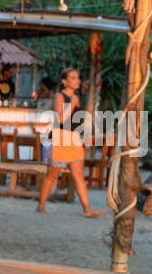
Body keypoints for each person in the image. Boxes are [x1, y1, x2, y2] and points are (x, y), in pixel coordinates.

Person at [37, 67, 103, 217]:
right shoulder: (60, 96)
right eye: (72, 78)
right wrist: (72, 104)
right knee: (52, 175)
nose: (77, 80)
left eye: (77, 78)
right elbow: (60, 119)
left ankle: (87, 209)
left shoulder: (77, 97)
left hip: (74, 138)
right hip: (60, 137)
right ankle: (41, 205)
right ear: (64, 81)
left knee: (78, 175)